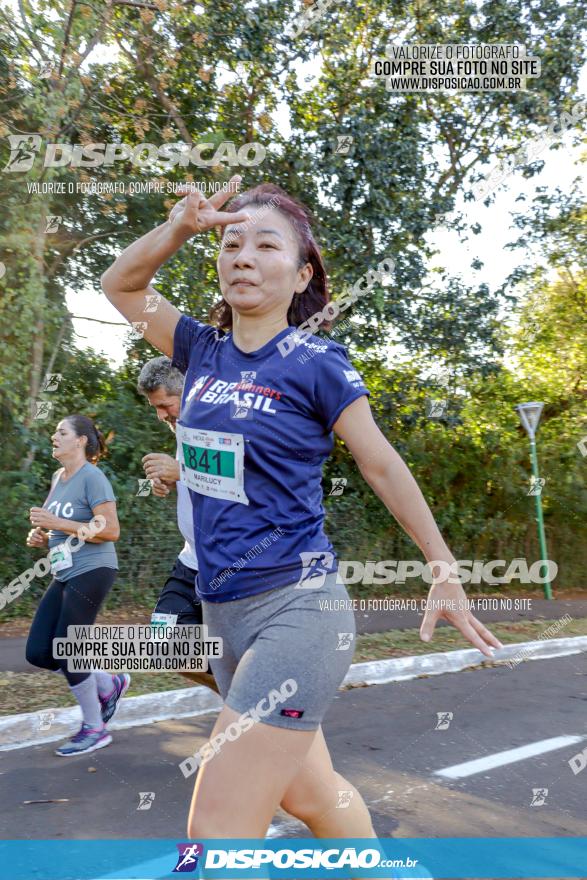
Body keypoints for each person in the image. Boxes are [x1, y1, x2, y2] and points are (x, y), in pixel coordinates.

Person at [101, 176, 503, 839]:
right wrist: (178, 228)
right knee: (314, 801)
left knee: (215, 835)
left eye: (265, 244)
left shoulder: (315, 362)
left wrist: (442, 565)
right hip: (221, 613)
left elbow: (380, 462)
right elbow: (121, 286)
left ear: (300, 274)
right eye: (230, 243)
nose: (243, 256)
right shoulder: (198, 350)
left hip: (297, 609)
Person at [25, 415, 129, 756]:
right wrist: (43, 535)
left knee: (68, 648)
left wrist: (56, 522)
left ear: (81, 440)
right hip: (64, 572)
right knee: (40, 651)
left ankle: (95, 728)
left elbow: (111, 530)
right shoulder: (58, 477)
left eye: (61, 432)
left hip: (93, 568)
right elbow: (60, 526)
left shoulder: (93, 477)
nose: (54, 436)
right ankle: (108, 682)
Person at [137, 356, 218, 694]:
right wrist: (172, 483)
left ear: (185, 391)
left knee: (231, 658)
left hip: (227, 567)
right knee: (164, 644)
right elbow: (202, 486)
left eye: (164, 405)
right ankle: (242, 701)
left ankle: (250, 704)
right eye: (155, 407)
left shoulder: (218, 422)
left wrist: (181, 472)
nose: (160, 415)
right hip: (190, 563)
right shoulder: (182, 428)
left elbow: (242, 482)